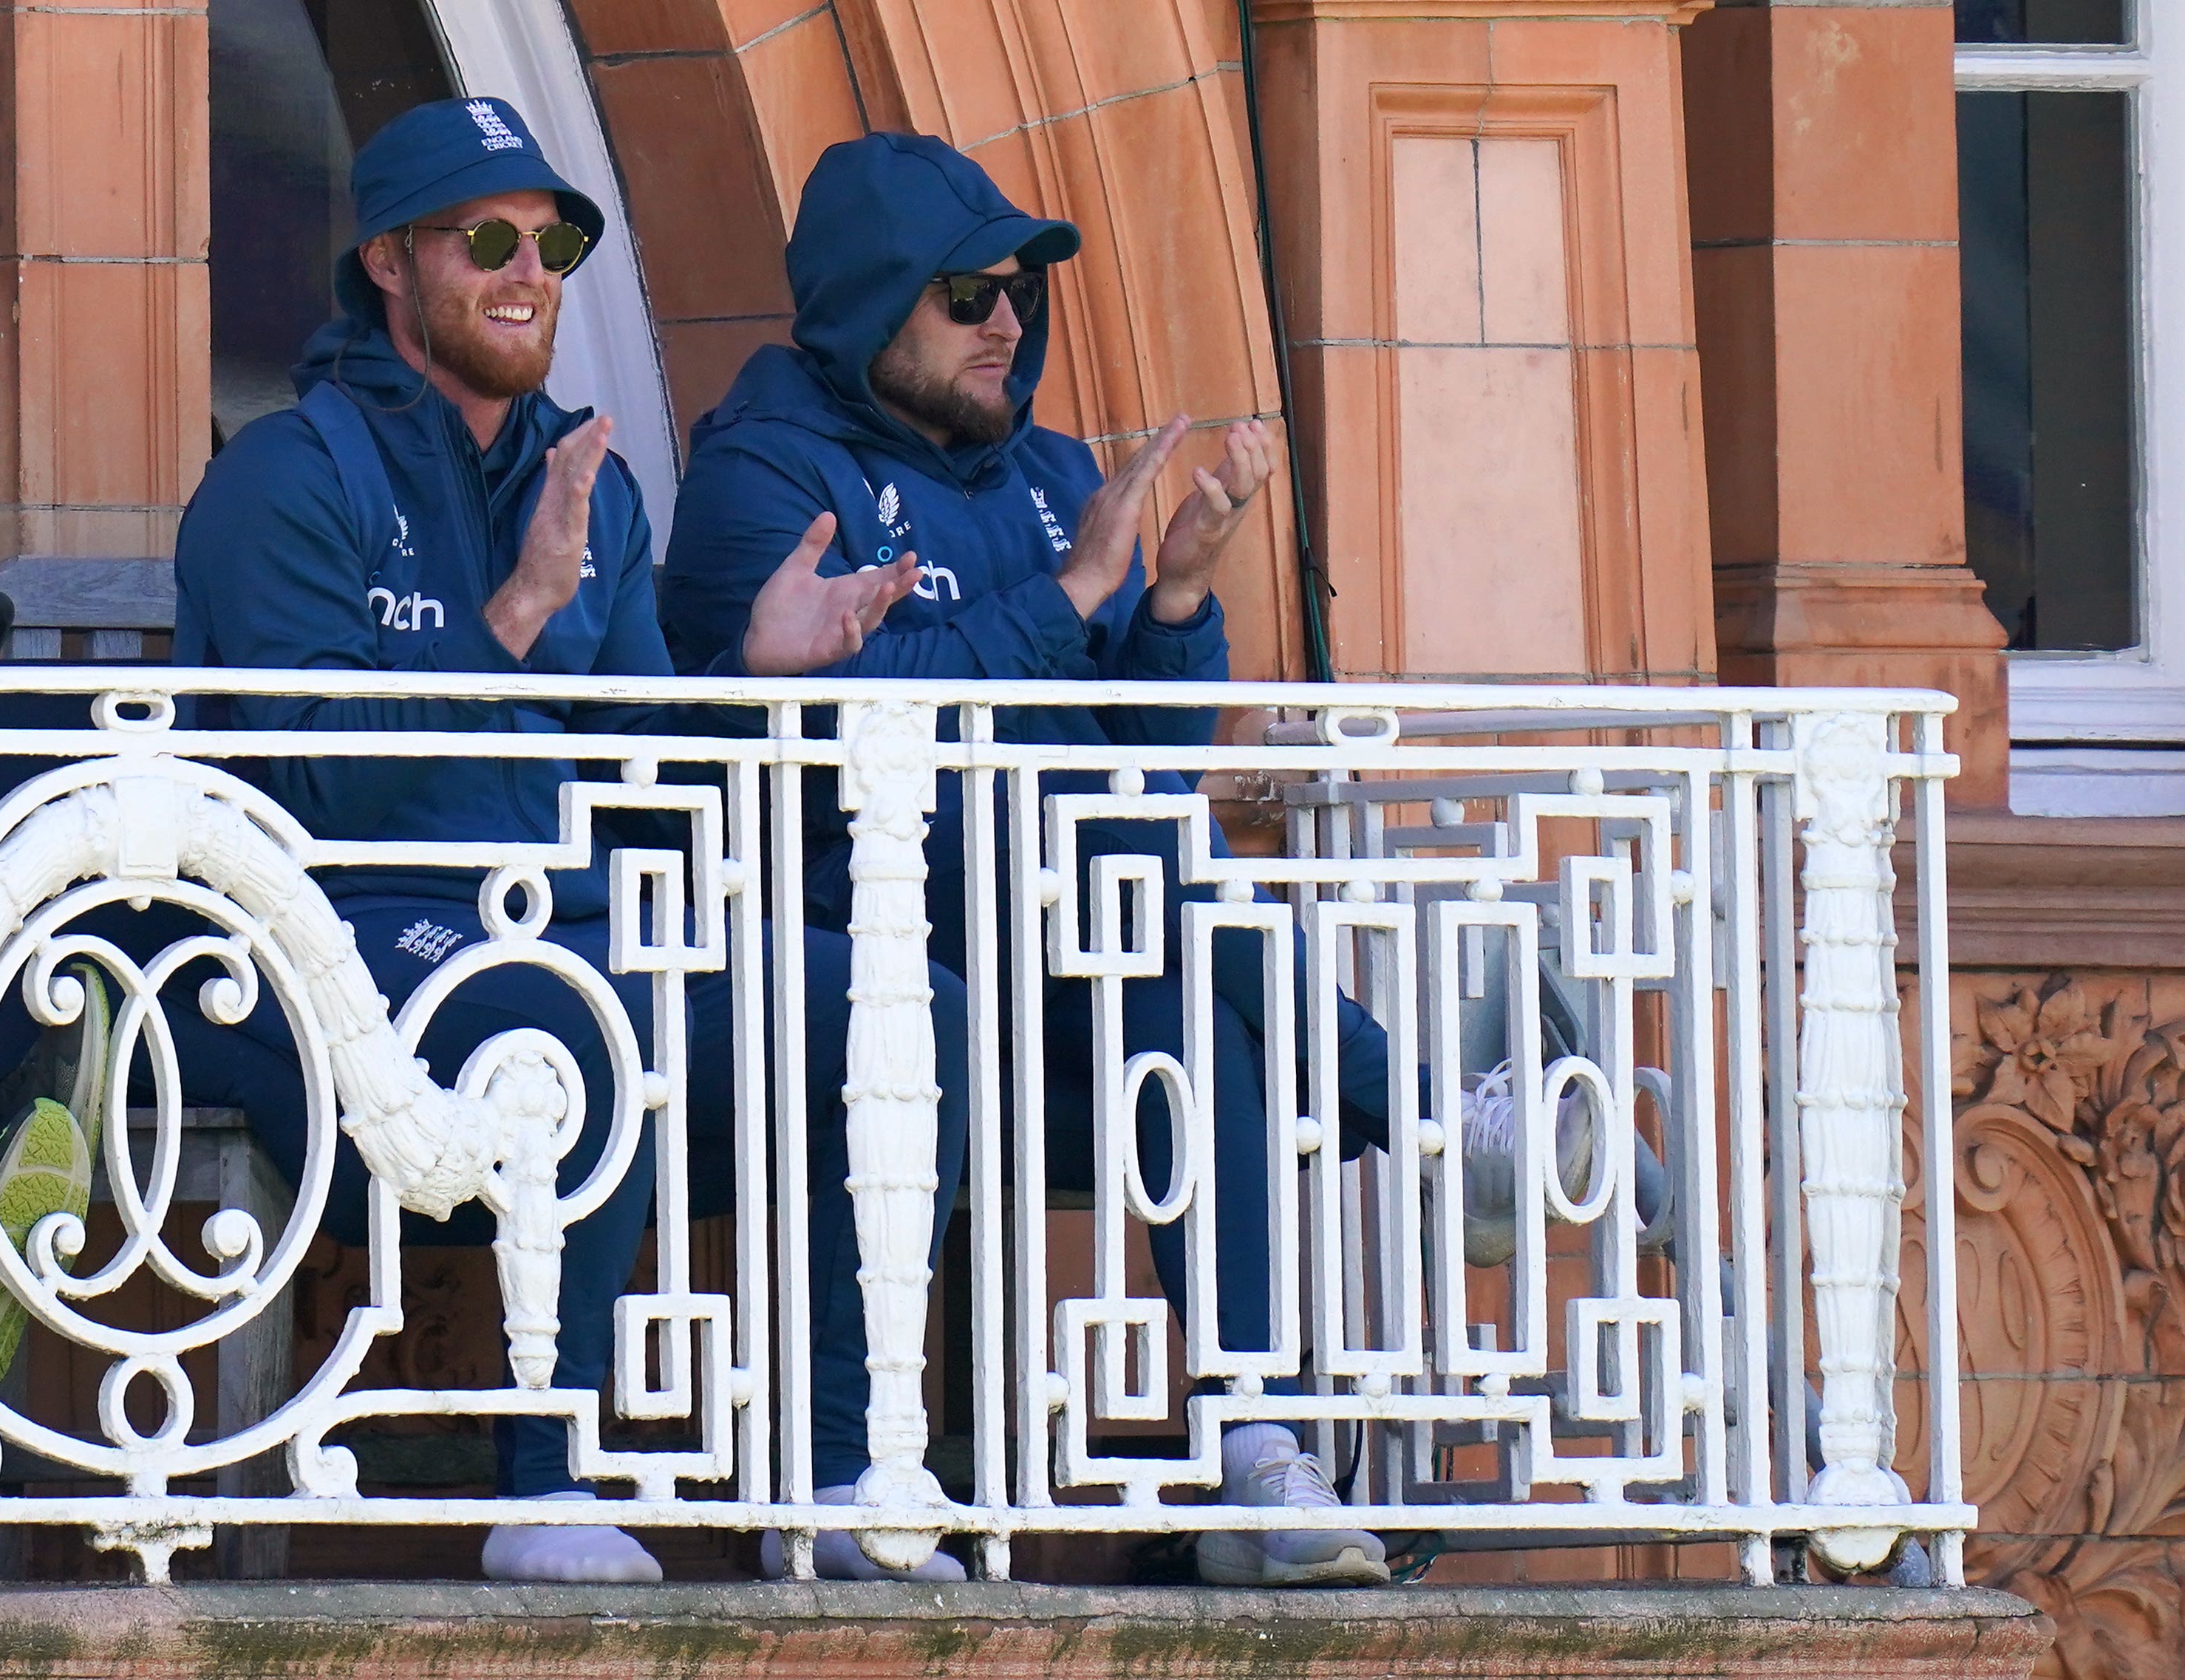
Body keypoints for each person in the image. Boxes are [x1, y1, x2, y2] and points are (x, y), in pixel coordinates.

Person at [659, 132, 1602, 1588]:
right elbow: (863, 723)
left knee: (1159, 962)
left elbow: (1141, 743)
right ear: (868, 304)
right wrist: (1081, 589)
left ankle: (1256, 1456)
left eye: (1021, 291)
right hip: (851, 956)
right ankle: (1412, 1120)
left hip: (1063, 948)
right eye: (966, 293)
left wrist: (1170, 598)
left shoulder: (1041, 474)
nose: (1007, 323)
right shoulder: (759, 479)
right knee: (1134, 893)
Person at [170, 98, 969, 1584]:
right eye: (486, 239)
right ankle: (547, 1477)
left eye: (554, 241)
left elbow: (647, 765)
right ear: (391, 267)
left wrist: (752, 675)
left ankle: (854, 1468)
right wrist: (516, 615)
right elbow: (309, 778)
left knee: (908, 1011)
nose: (527, 269)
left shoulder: (576, 476)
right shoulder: (289, 475)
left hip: (580, 918)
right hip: (346, 939)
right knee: (586, 1014)